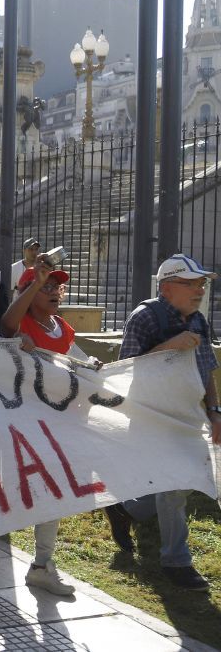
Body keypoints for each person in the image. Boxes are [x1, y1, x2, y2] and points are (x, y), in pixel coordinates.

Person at [103, 253, 221, 591]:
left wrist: (215, 411)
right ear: (167, 288)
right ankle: (177, 561)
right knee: (174, 486)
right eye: (191, 283)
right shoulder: (144, 317)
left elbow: (206, 370)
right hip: (150, 413)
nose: (200, 289)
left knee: (176, 482)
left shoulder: (198, 319)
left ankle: (126, 507)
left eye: (201, 283)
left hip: (186, 413)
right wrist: (169, 346)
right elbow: (125, 371)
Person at [0, 260, 77, 596]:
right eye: (44, 286)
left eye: (56, 286)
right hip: (18, 422)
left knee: (55, 490)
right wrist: (31, 288)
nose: (53, 292)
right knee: (13, 486)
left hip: (55, 424)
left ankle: (43, 563)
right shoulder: (21, 325)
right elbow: (5, 324)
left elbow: (75, 359)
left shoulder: (64, 329)